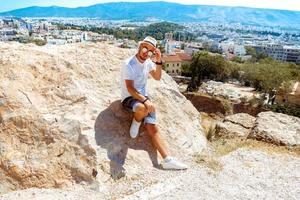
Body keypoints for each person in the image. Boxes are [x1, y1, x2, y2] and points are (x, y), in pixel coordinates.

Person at [120, 36, 188, 170]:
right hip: (129, 98)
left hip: (144, 98)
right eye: (145, 48)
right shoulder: (128, 64)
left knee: (153, 127)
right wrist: (145, 100)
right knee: (143, 108)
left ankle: (167, 159)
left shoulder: (148, 62)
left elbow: (157, 77)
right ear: (140, 46)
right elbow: (130, 88)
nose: (146, 52)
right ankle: (137, 120)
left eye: (150, 51)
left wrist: (158, 61)